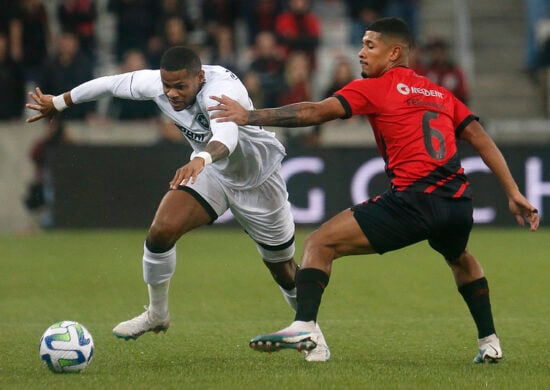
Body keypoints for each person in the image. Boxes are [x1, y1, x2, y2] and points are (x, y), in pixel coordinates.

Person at [208, 17, 540, 363]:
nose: (361, 53)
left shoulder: (376, 87)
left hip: (413, 201)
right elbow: (480, 138)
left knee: (320, 243)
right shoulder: (441, 94)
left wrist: (250, 116)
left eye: (369, 45)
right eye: (362, 44)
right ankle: (490, 342)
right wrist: (513, 192)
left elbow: (314, 111)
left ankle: (305, 325)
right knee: (460, 258)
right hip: (457, 205)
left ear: (394, 52)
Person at [25, 45, 330, 362]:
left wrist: (201, 158)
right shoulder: (157, 84)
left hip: (258, 181)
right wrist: (58, 102)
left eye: (179, 86)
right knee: (161, 231)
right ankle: (157, 313)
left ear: (199, 78)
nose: (170, 93)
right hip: (212, 174)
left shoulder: (223, 90)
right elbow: (109, 84)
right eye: (166, 85)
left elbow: (227, 137)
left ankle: (311, 332)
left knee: (282, 269)